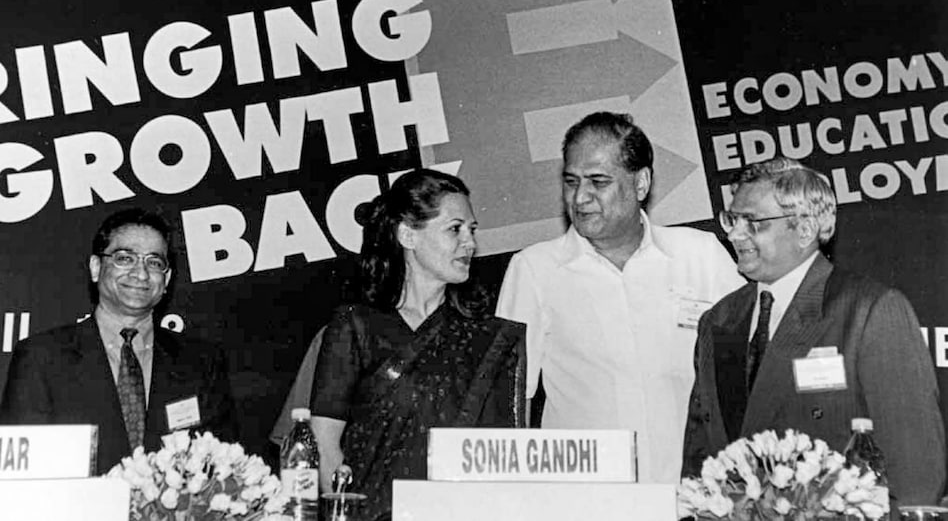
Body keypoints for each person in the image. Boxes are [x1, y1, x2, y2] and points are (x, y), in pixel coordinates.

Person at [496, 111, 744, 484]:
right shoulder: (534, 270)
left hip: (698, 494)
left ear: (641, 182)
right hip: (590, 503)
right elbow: (506, 406)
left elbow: (750, 371)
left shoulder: (701, 255)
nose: (580, 198)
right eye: (571, 181)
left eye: (598, 182)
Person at [682, 157, 946, 505]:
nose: (734, 233)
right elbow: (699, 459)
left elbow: (918, 475)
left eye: (752, 222)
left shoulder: (868, 311)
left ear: (804, 228)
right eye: (732, 219)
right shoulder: (718, 320)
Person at [309, 169, 526, 521]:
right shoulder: (357, 325)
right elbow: (324, 441)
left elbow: (501, 455)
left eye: (471, 230)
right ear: (408, 235)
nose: (469, 242)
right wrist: (347, 510)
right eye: (454, 229)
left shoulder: (484, 337)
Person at [0, 208, 237, 474]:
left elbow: (221, 472)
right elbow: (21, 478)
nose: (141, 273)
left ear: (166, 279)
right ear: (96, 267)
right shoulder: (42, 358)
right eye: (125, 258)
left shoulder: (202, 363)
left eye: (154, 262)